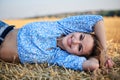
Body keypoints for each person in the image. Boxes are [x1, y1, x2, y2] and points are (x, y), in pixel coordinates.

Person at [0, 15, 114, 71]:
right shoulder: (62, 26)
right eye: (81, 36)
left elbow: (92, 65)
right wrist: (104, 52)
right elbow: (97, 20)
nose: (74, 41)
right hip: (4, 27)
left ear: (77, 56)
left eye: (79, 48)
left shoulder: (59, 57)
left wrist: (97, 57)